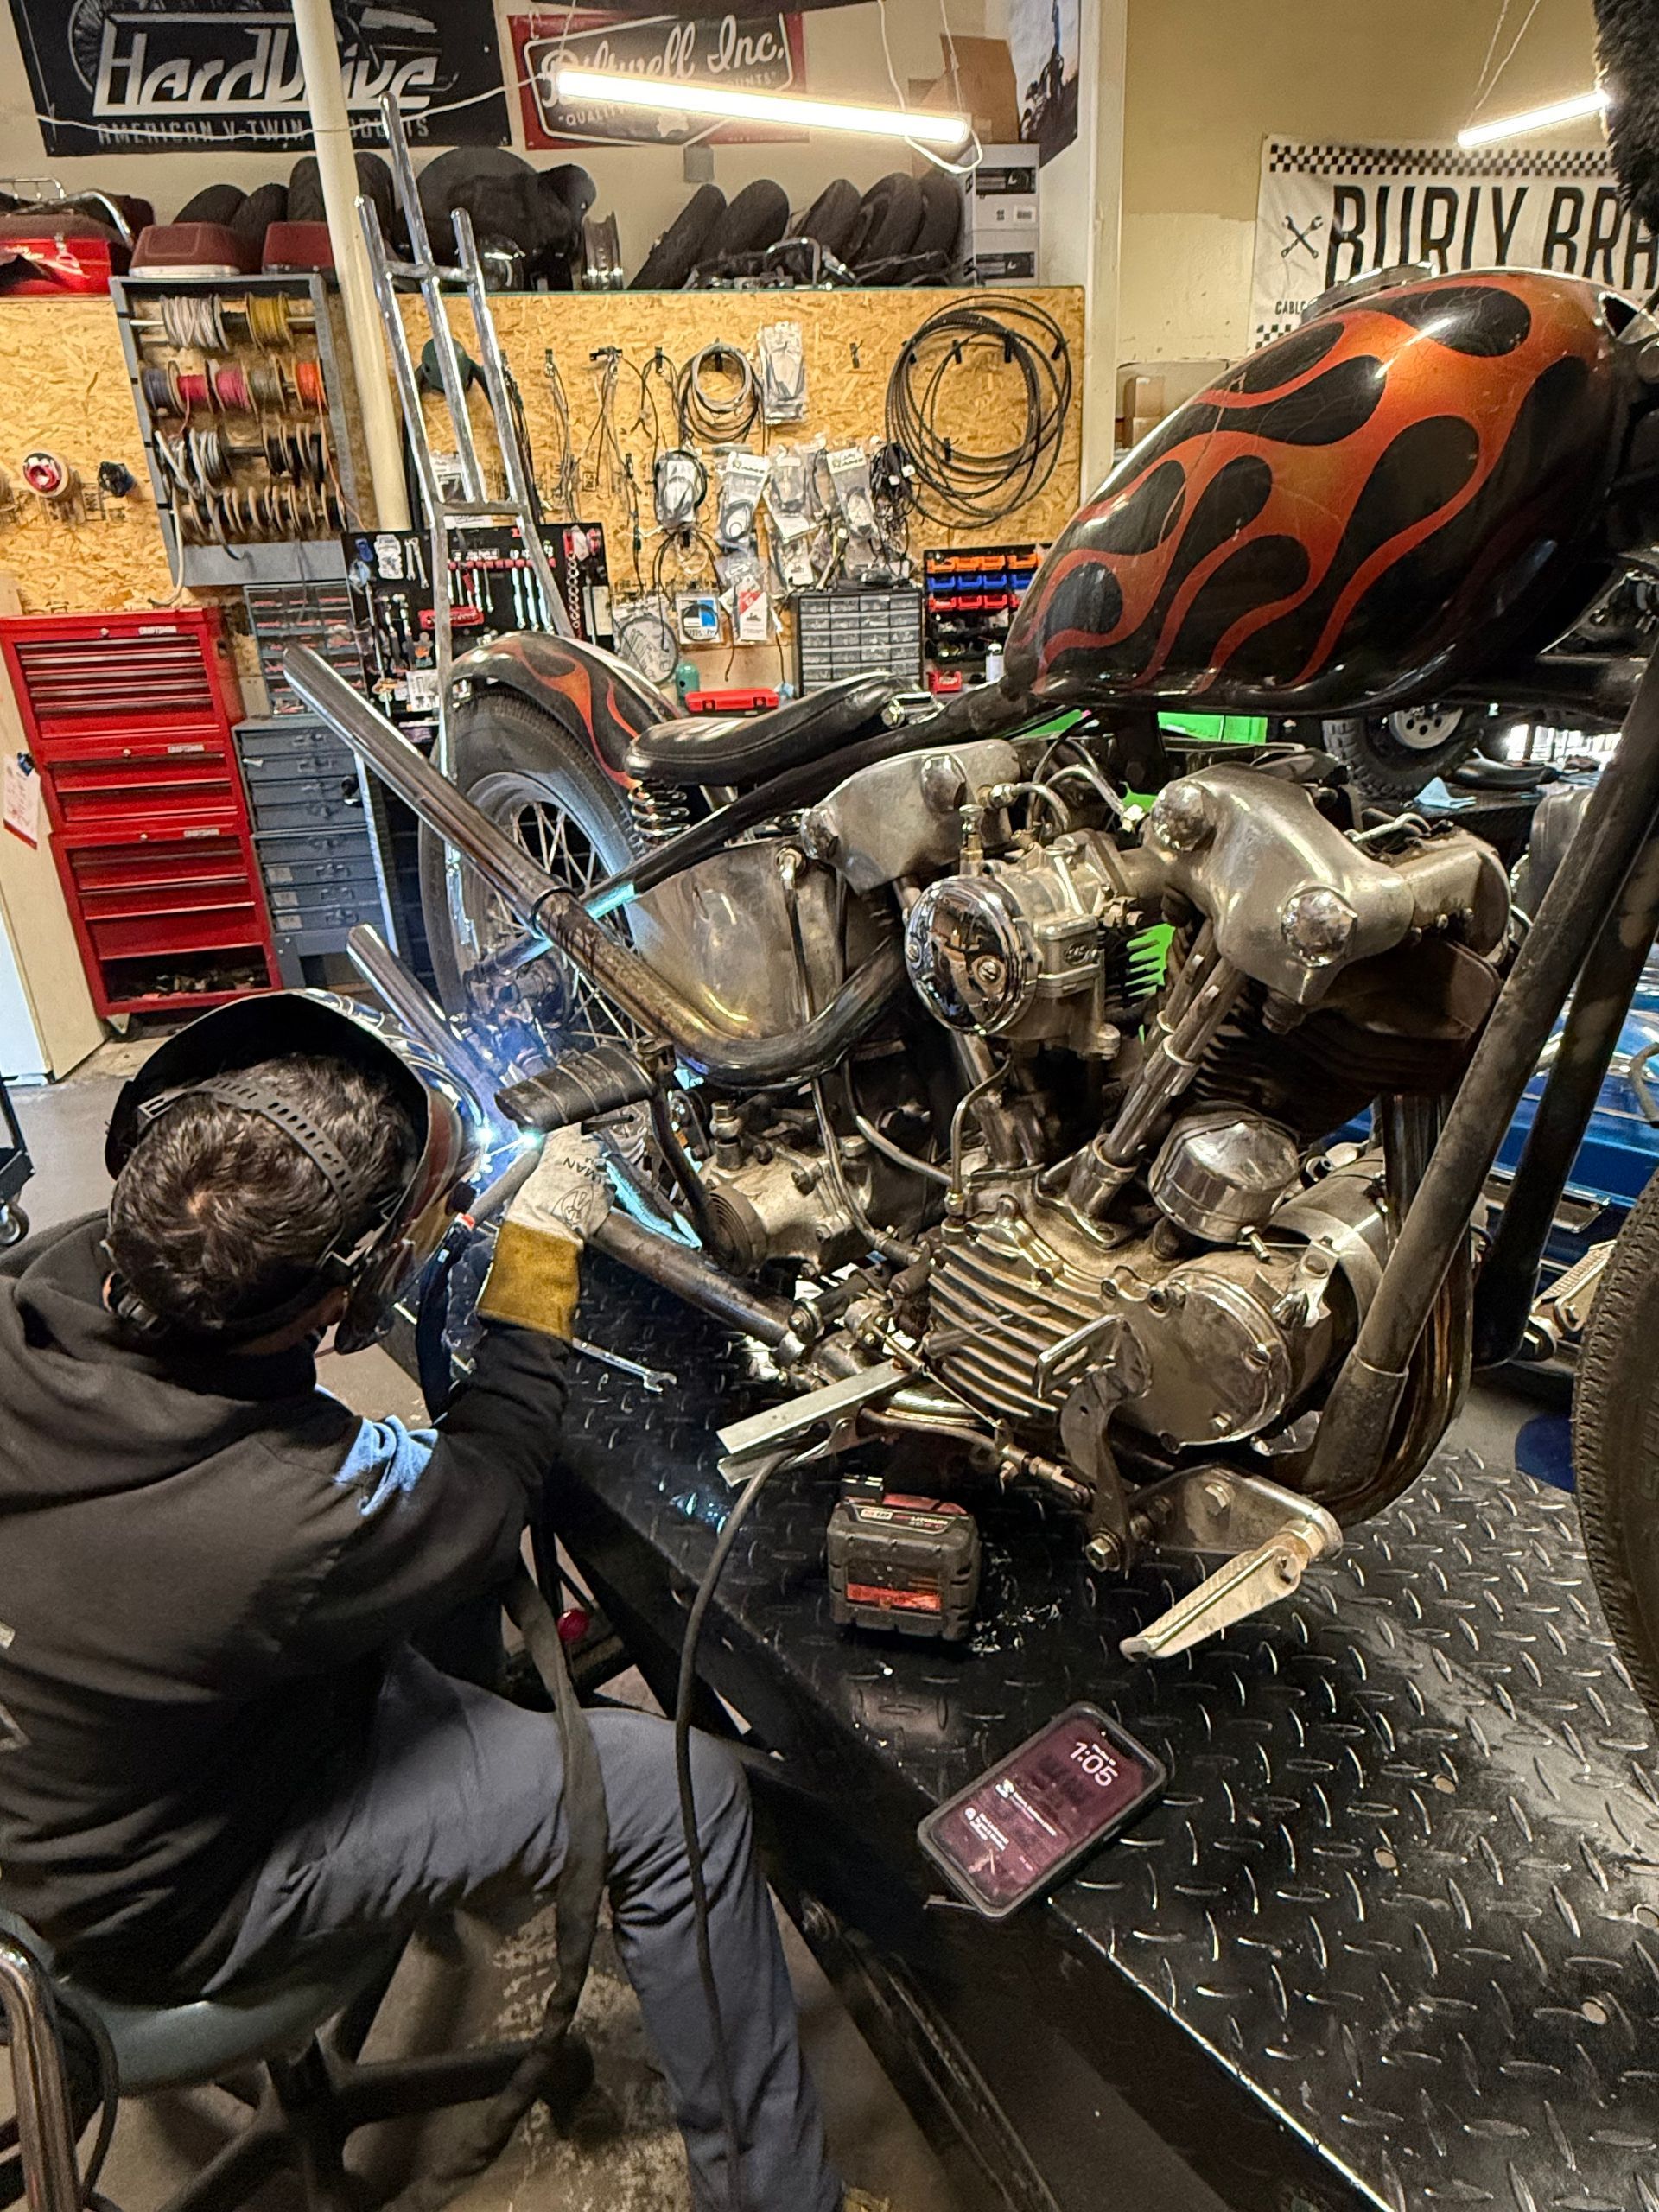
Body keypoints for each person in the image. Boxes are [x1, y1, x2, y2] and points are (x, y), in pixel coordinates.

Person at [0, 994, 863, 2212]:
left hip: (60, 1790)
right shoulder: (282, 1522)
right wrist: (540, 1258)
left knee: (410, 1547)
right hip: (169, 1894)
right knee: (676, 1795)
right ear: (335, 1305)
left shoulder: (58, 1277)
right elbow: (485, 1488)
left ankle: (479, 1808)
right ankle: (778, 2198)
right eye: (434, 1209)